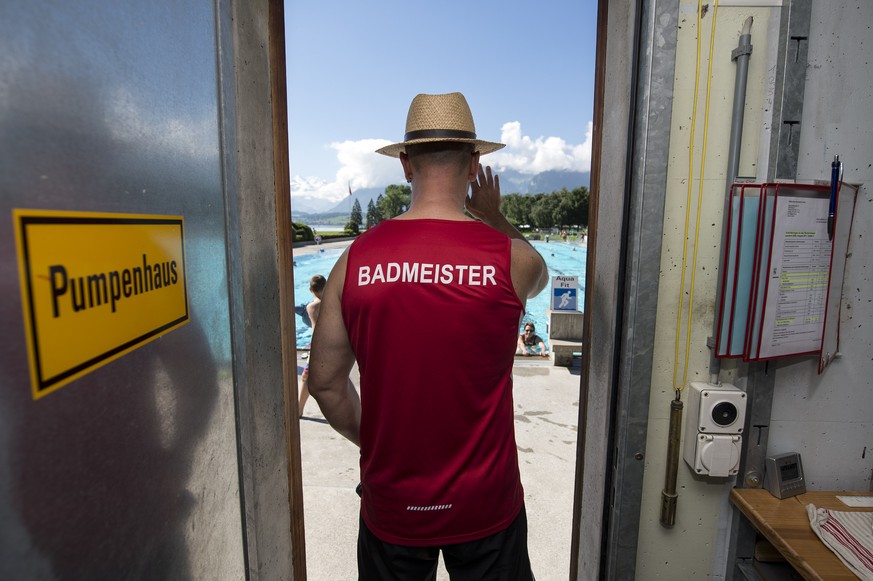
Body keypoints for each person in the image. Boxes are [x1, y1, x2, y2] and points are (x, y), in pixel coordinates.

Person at [308, 92, 548, 580]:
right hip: (487, 503)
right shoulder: (511, 261)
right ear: (475, 162)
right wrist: (494, 217)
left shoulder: (354, 262)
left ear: (404, 164)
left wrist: (374, 440)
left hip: (393, 501)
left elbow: (325, 383)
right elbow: (540, 273)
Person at [298, 274, 326, 418]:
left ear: (310, 289)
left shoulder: (311, 307)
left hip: (318, 348)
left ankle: (299, 409)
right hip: (334, 346)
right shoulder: (335, 303)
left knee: (306, 377)